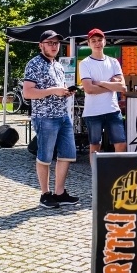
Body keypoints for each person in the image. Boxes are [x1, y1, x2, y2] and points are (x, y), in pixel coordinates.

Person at [23, 30, 79, 209]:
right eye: (50, 43)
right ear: (41, 45)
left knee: (67, 154)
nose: (54, 46)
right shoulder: (34, 64)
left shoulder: (58, 65)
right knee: (45, 156)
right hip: (45, 116)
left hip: (62, 115)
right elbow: (27, 93)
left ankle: (59, 193)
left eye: (56, 43)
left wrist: (66, 92)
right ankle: (45, 194)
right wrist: (53, 91)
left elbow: (58, 89)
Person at [79, 28, 127, 154]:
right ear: (89, 44)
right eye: (93, 41)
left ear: (104, 41)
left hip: (112, 110)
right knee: (95, 147)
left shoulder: (113, 62)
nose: (97, 43)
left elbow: (122, 87)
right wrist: (112, 85)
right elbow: (89, 89)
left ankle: (117, 168)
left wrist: (100, 83)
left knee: (121, 144)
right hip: (93, 111)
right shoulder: (85, 63)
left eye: (100, 40)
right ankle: (96, 169)